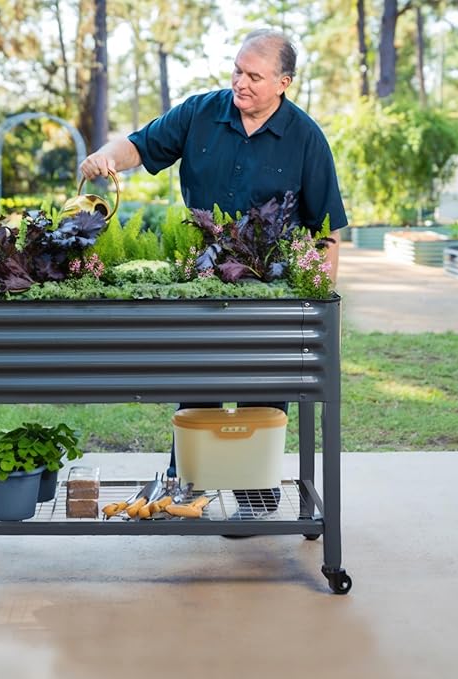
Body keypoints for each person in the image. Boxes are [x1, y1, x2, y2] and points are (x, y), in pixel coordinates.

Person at [80, 28, 348, 484]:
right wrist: (105, 156)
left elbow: (327, 231)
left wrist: (322, 308)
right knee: (197, 383)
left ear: (283, 83)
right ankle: (190, 481)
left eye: (255, 77)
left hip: (268, 289)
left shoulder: (306, 138)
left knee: (263, 394)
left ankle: (251, 487)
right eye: (237, 71)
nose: (241, 82)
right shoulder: (200, 112)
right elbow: (140, 145)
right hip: (199, 281)